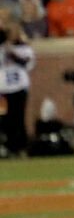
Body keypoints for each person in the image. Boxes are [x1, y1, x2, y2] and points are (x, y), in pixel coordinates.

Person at [2, 28, 35, 158]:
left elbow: (26, 63)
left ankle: (21, 148)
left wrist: (11, 53)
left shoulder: (24, 48)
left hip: (19, 88)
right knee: (6, 119)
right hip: (4, 90)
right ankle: (9, 147)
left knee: (19, 118)